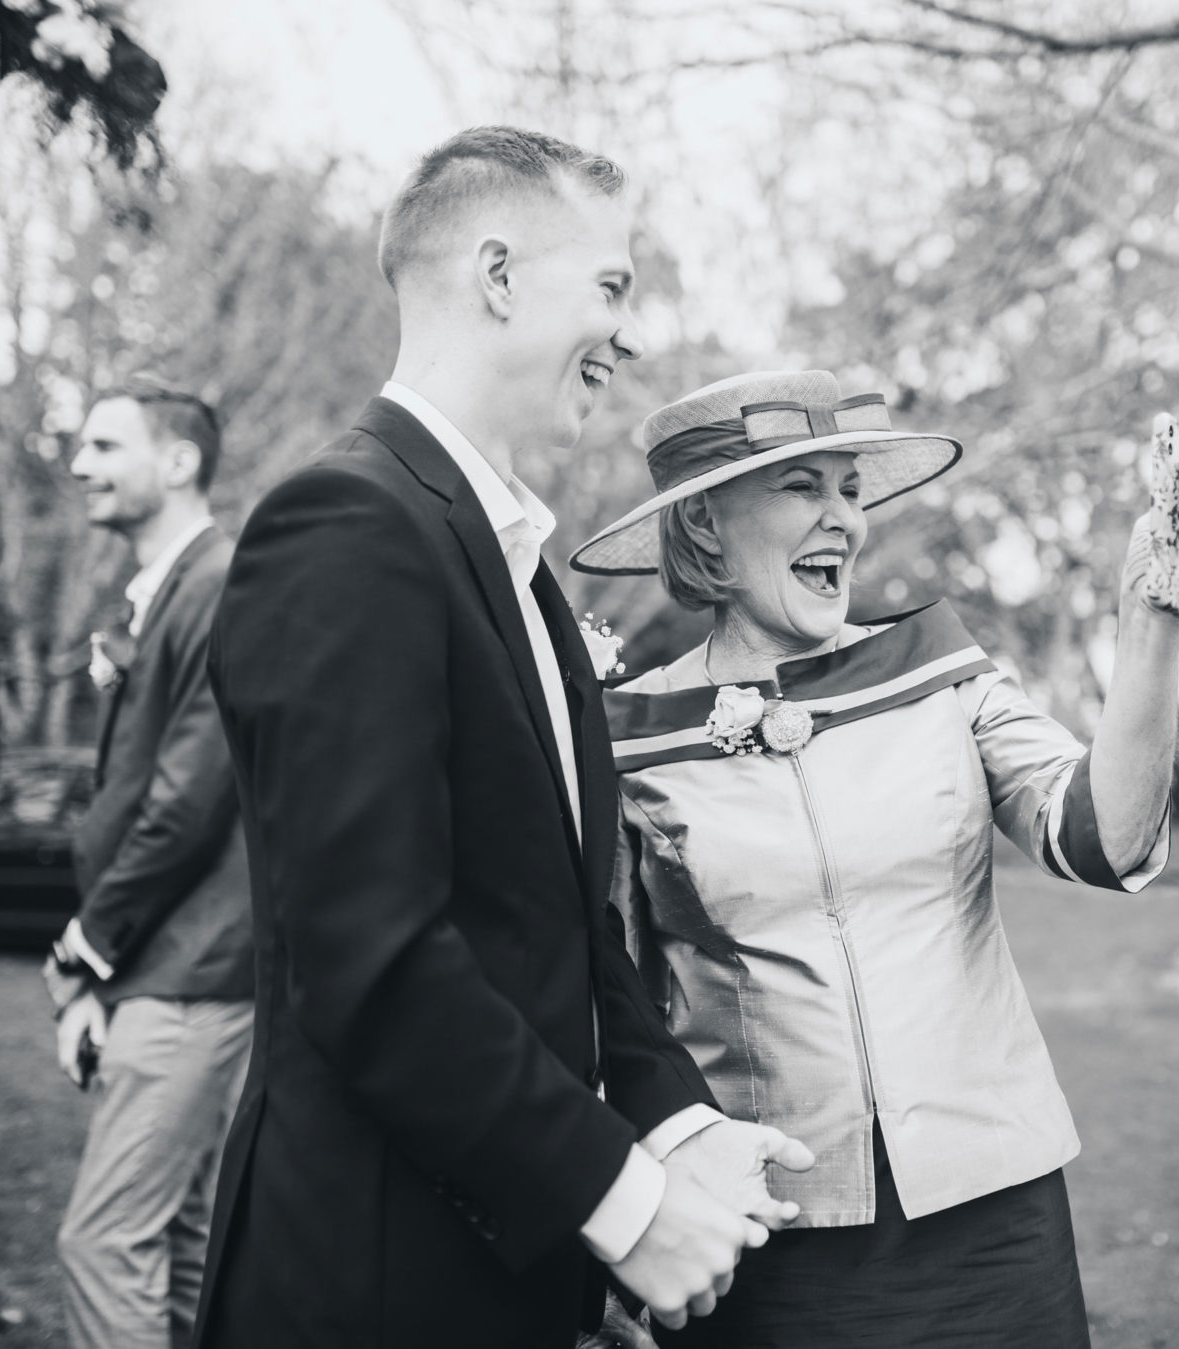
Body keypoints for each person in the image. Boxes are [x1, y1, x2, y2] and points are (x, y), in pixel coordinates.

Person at [195, 128, 812, 1349]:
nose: (628, 333)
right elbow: (370, 965)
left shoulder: (510, 567)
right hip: (370, 1277)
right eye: (611, 287)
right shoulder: (345, 526)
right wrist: (626, 1206)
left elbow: (558, 935)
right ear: (495, 276)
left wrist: (680, 1127)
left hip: (496, 1262)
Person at [569, 369, 1179, 1347]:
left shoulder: (938, 674)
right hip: (764, 1230)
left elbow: (1104, 839)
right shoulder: (619, 739)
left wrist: (1153, 614)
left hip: (994, 1213)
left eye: (848, 487)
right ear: (704, 524)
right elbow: (595, 1001)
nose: (842, 517)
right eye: (801, 487)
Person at [43, 381, 253, 1349]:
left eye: (101, 446)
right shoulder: (170, 587)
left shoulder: (214, 583)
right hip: (176, 962)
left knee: (105, 1240)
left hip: (193, 964)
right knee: (181, 1233)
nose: (79, 464)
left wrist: (89, 944)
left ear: (176, 462)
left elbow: (187, 800)